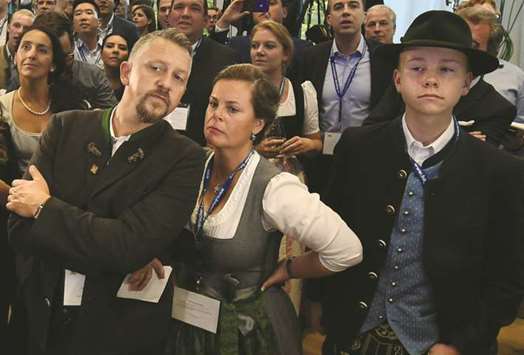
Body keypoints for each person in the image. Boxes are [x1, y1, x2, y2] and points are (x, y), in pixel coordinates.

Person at [311, 11, 524, 355]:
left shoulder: (500, 171)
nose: (430, 80)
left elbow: (506, 279)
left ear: (467, 82)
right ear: (397, 79)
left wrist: (462, 344)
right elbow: (329, 232)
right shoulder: (359, 147)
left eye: (447, 69)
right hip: (353, 333)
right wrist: (319, 301)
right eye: (417, 67)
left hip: (440, 344)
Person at [7, 28, 205, 355]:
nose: (166, 83)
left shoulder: (185, 157)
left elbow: (127, 246)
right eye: (156, 68)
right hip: (39, 318)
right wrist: (108, 244)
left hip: (116, 330)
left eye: (179, 77)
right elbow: (18, 228)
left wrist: (44, 208)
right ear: (126, 72)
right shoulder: (64, 127)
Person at [159, 63, 362, 355]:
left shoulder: (275, 187)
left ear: (257, 124)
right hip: (185, 319)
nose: (216, 115)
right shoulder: (192, 166)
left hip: (247, 331)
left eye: (232, 109)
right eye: (213, 104)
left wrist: (290, 268)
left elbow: (347, 250)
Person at [297, 0, 394, 194]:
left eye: (353, 6)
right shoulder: (311, 57)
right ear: (329, 18)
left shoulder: (384, 59)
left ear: (364, 16)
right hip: (319, 159)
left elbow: (390, 112)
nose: (346, 12)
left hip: (366, 159)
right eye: (339, 7)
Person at [168, 0, 237, 145]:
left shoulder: (226, 59)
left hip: (203, 150)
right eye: (179, 7)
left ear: (206, 20)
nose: (185, 14)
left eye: (194, 8)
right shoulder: (150, 52)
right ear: (169, 16)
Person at [251, 21, 321, 162]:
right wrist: (254, 150)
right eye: (254, 46)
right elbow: (218, 146)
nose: (259, 51)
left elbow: (317, 143)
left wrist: (308, 144)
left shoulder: (302, 92)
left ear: (286, 54)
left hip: (290, 177)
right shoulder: (238, 91)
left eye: (269, 46)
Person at [0, 9, 35, 91]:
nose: (20, 31)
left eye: (26, 28)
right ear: (8, 27)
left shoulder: (33, 61)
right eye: (16, 25)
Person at [73, 0, 104, 68]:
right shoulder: (70, 49)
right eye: (78, 14)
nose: (83, 18)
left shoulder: (108, 46)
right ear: (73, 24)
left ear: (99, 22)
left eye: (89, 13)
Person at [101, 32, 130, 100]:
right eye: (109, 46)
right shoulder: (91, 80)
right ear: (101, 53)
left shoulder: (133, 84)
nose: (115, 50)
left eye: (122, 48)